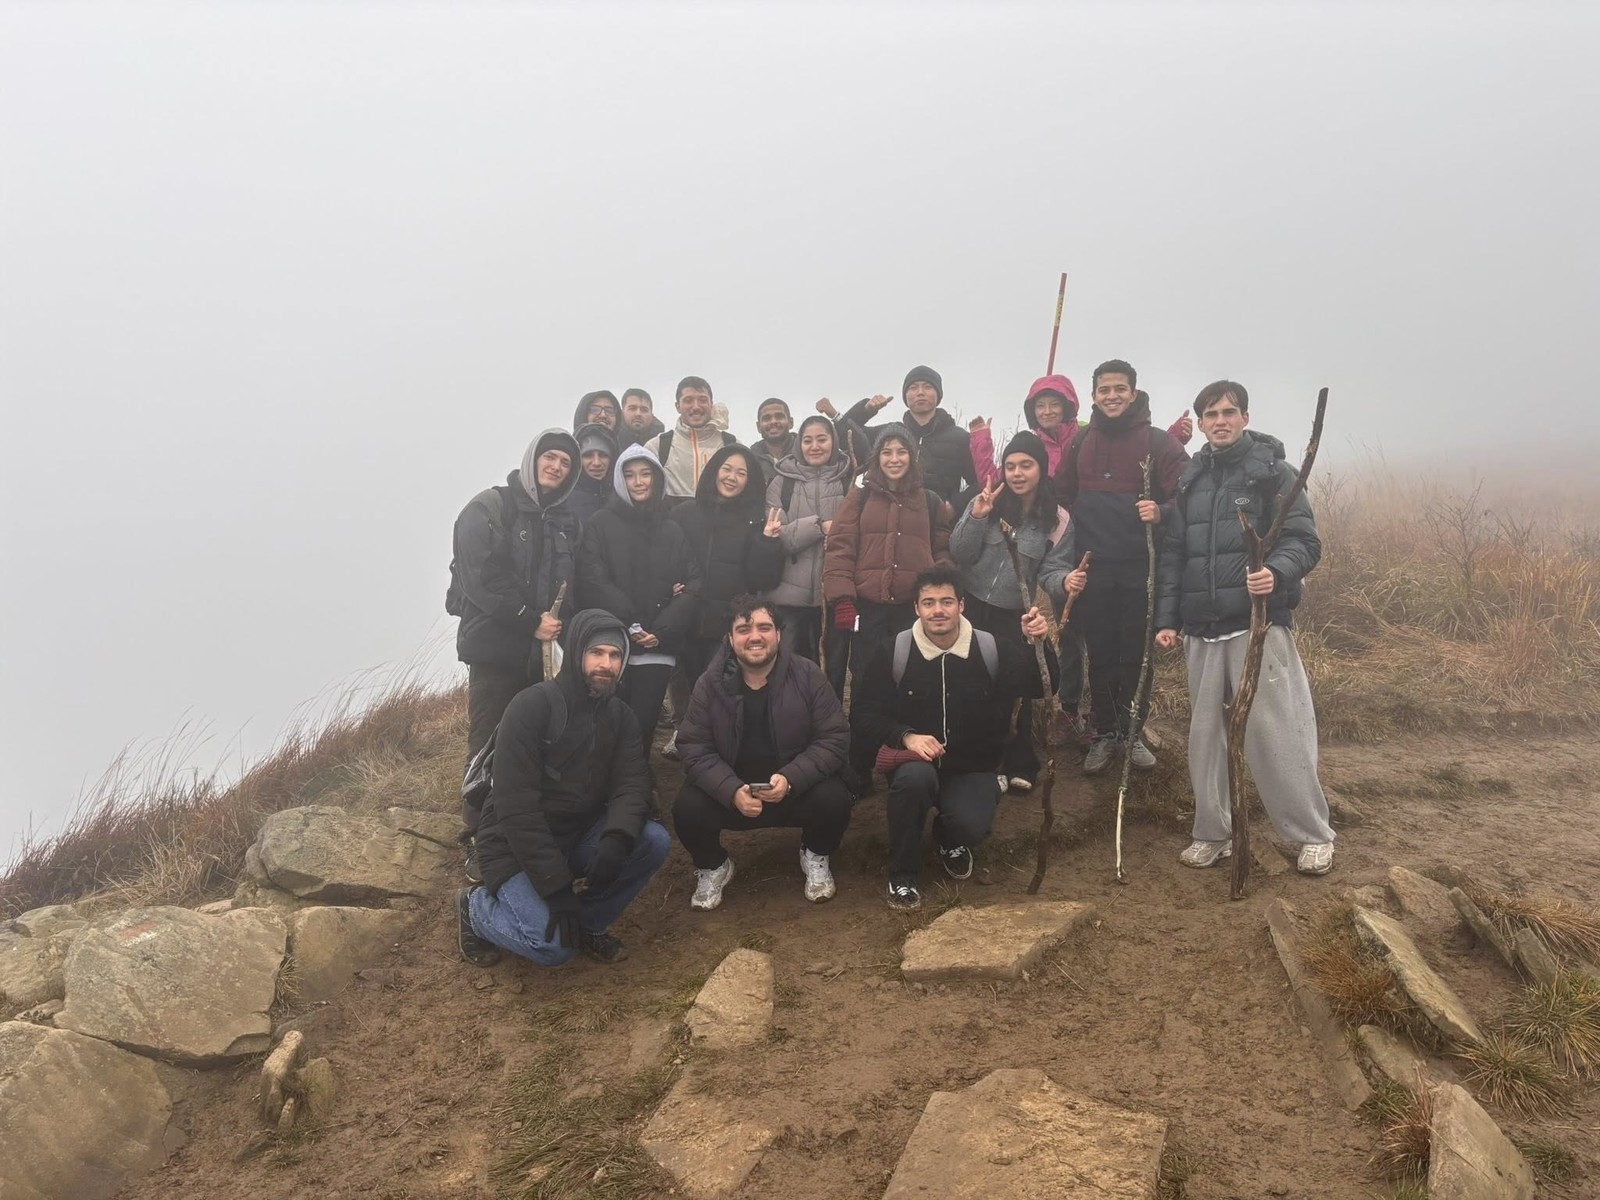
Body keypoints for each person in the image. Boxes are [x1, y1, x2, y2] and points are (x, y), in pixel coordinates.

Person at [1155, 381, 1335, 875]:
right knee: (1205, 737)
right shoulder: (1191, 479)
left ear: (1245, 417)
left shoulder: (1274, 473)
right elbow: (1175, 554)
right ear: (1201, 423)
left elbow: (1305, 541)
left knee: (1275, 732)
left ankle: (1312, 834)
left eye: (1229, 412)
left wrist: (1275, 573)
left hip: (1258, 624)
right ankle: (1213, 833)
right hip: (1201, 627)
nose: (1220, 421)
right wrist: (1168, 619)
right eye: (1211, 414)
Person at [456, 608, 672, 968]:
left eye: (615, 655)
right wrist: (557, 891)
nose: (606, 664)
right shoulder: (531, 706)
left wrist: (617, 838)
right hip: (511, 848)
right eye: (596, 652)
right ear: (575, 652)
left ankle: (588, 923)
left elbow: (633, 784)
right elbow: (516, 809)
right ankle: (474, 908)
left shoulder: (620, 716)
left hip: (576, 835)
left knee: (653, 841)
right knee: (551, 949)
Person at [852, 568, 1056, 909]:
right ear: (916, 608)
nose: (938, 610)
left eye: (946, 601)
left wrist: (1037, 643)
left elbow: (1040, 685)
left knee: (971, 825)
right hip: (915, 764)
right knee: (913, 783)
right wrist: (906, 736)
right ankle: (903, 875)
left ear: (961, 605)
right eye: (928, 602)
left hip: (972, 767)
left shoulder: (990, 648)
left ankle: (948, 838)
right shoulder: (894, 652)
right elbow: (864, 713)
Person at [447, 429, 580, 873]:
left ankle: (521, 832)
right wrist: (529, 619)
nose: (556, 466)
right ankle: (478, 839)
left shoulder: (566, 521)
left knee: (532, 743)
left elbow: (571, 585)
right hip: (496, 651)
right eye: (550, 457)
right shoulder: (489, 507)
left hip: (544, 653)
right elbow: (481, 579)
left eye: (565, 462)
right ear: (532, 459)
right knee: (488, 742)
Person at [672, 598, 853, 910]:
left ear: (779, 634)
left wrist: (791, 778)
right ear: (730, 638)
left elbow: (834, 737)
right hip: (733, 795)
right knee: (686, 808)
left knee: (835, 798)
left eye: (764, 627)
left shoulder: (807, 674)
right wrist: (731, 790)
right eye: (744, 629)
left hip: (793, 790)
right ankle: (714, 865)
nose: (754, 636)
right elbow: (693, 746)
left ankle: (815, 853)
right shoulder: (709, 683)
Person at [1054, 359, 1188, 773]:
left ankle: (1132, 733)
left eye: (1119, 389)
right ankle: (1104, 733)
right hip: (1094, 567)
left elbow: (1188, 496)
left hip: (1140, 567)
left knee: (1136, 655)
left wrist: (1163, 511)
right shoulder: (1080, 442)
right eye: (1104, 390)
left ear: (1133, 393)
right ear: (1093, 396)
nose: (1111, 396)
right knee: (1101, 654)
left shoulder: (1159, 443)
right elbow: (1061, 495)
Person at [950, 431, 1085, 793]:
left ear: (1041, 468)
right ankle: (980, 762)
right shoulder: (987, 500)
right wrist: (977, 516)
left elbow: (1052, 570)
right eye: (1010, 466)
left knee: (1015, 685)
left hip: (1015, 615)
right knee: (971, 684)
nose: (1017, 473)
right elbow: (960, 552)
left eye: (1026, 465)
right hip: (970, 607)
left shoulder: (1057, 519)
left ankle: (1018, 762)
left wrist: (1065, 581)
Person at [823, 424, 955, 779]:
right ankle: (859, 767)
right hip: (868, 608)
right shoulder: (861, 496)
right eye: (886, 452)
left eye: (901, 451)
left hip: (912, 609)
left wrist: (941, 590)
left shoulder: (929, 500)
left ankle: (906, 760)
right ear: (877, 458)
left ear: (912, 456)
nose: (894, 459)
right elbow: (840, 547)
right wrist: (842, 599)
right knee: (865, 684)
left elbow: (941, 549)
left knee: (912, 682)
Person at [575, 444, 700, 760]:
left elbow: (693, 583)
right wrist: (629, 625)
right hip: (613, 643)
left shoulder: (672, 530)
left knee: (642, 729)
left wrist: (661, 630)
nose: (639, 482)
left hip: (658, 647)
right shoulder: (600, 523)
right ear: (620, 480)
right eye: (630, 475)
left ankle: (638, 785)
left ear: (657, 478)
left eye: (645, 474)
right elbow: (594, 579)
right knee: (605, 726)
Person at [667, 443, 786, 687]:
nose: (732, 477)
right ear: (714, 470)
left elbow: (764, 580)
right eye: (727, 469)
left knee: (720, 690)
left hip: (726, 626)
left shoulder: (754, 522)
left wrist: (768, 542)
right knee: (685, 692)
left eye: (741, 473)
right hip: (683, 620)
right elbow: (664, 559)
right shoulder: (683, 513)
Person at [767, 414, 856, 699]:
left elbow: (858, 534)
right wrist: (819, 526)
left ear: (834, 442)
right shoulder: (781, 483)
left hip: (834, 594)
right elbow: (777, 537)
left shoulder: (850, 481)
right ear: (798, 444)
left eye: (822, 439)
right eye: (807, 440)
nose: (814, 446)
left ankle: (830, 721)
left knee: (833, 671)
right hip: (787, 598)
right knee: (788, 670)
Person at [843, 366, 975, 510]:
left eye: (928, 387)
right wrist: (865, 411)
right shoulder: (889, 434)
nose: (920, 392)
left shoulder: (960, 438)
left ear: (938, 394)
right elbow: (842, 438)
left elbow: (981, 482)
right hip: (889, 519)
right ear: (905, 396)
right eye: (913, 387)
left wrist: (954, 506)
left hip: (940, 521)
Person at [644, 376, 737, 503]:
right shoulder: (657, 447)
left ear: (711, 404)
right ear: (677, 406)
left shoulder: (732, 446)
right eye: (688, 401)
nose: (696, 406)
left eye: (702, 400)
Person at [567, 422, 617, 531]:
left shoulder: (623, 498)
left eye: (603, 455)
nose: (596, 462)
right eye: (588, 455)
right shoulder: (563, 501)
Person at [751, 398, 796, 486]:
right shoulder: (750, 459)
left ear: (791, 422)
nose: (773, 421)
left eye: (779, 417)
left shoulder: (807, 451)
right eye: (766, 418)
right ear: (758, 426)